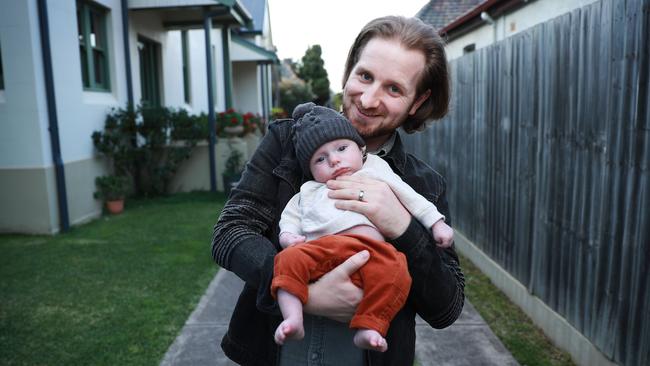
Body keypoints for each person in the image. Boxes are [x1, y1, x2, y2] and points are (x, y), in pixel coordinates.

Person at [212, 15, 465, 366]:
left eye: (394, 89)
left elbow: (446, 308)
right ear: (349, 71)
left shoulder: (423, 184)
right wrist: (304, 294)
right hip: (272, 354)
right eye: (365, 76)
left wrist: (403, 228)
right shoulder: (286, 141)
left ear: (418, 102)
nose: (370, 99)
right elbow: (230, 233)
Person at [271, 103, 453, 352]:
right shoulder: (310, 189)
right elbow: (291, 215)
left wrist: (436, 222)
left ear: (361, 148)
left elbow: (409, 196)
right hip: (322, 249)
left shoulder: (376, 171)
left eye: (342, 148)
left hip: (372, 251)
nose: (334, 160)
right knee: (286, 261)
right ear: (311, 171)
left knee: (396, 272)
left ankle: (370, 326)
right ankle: (293, 317)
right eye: (320, 159)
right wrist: (288, 236)